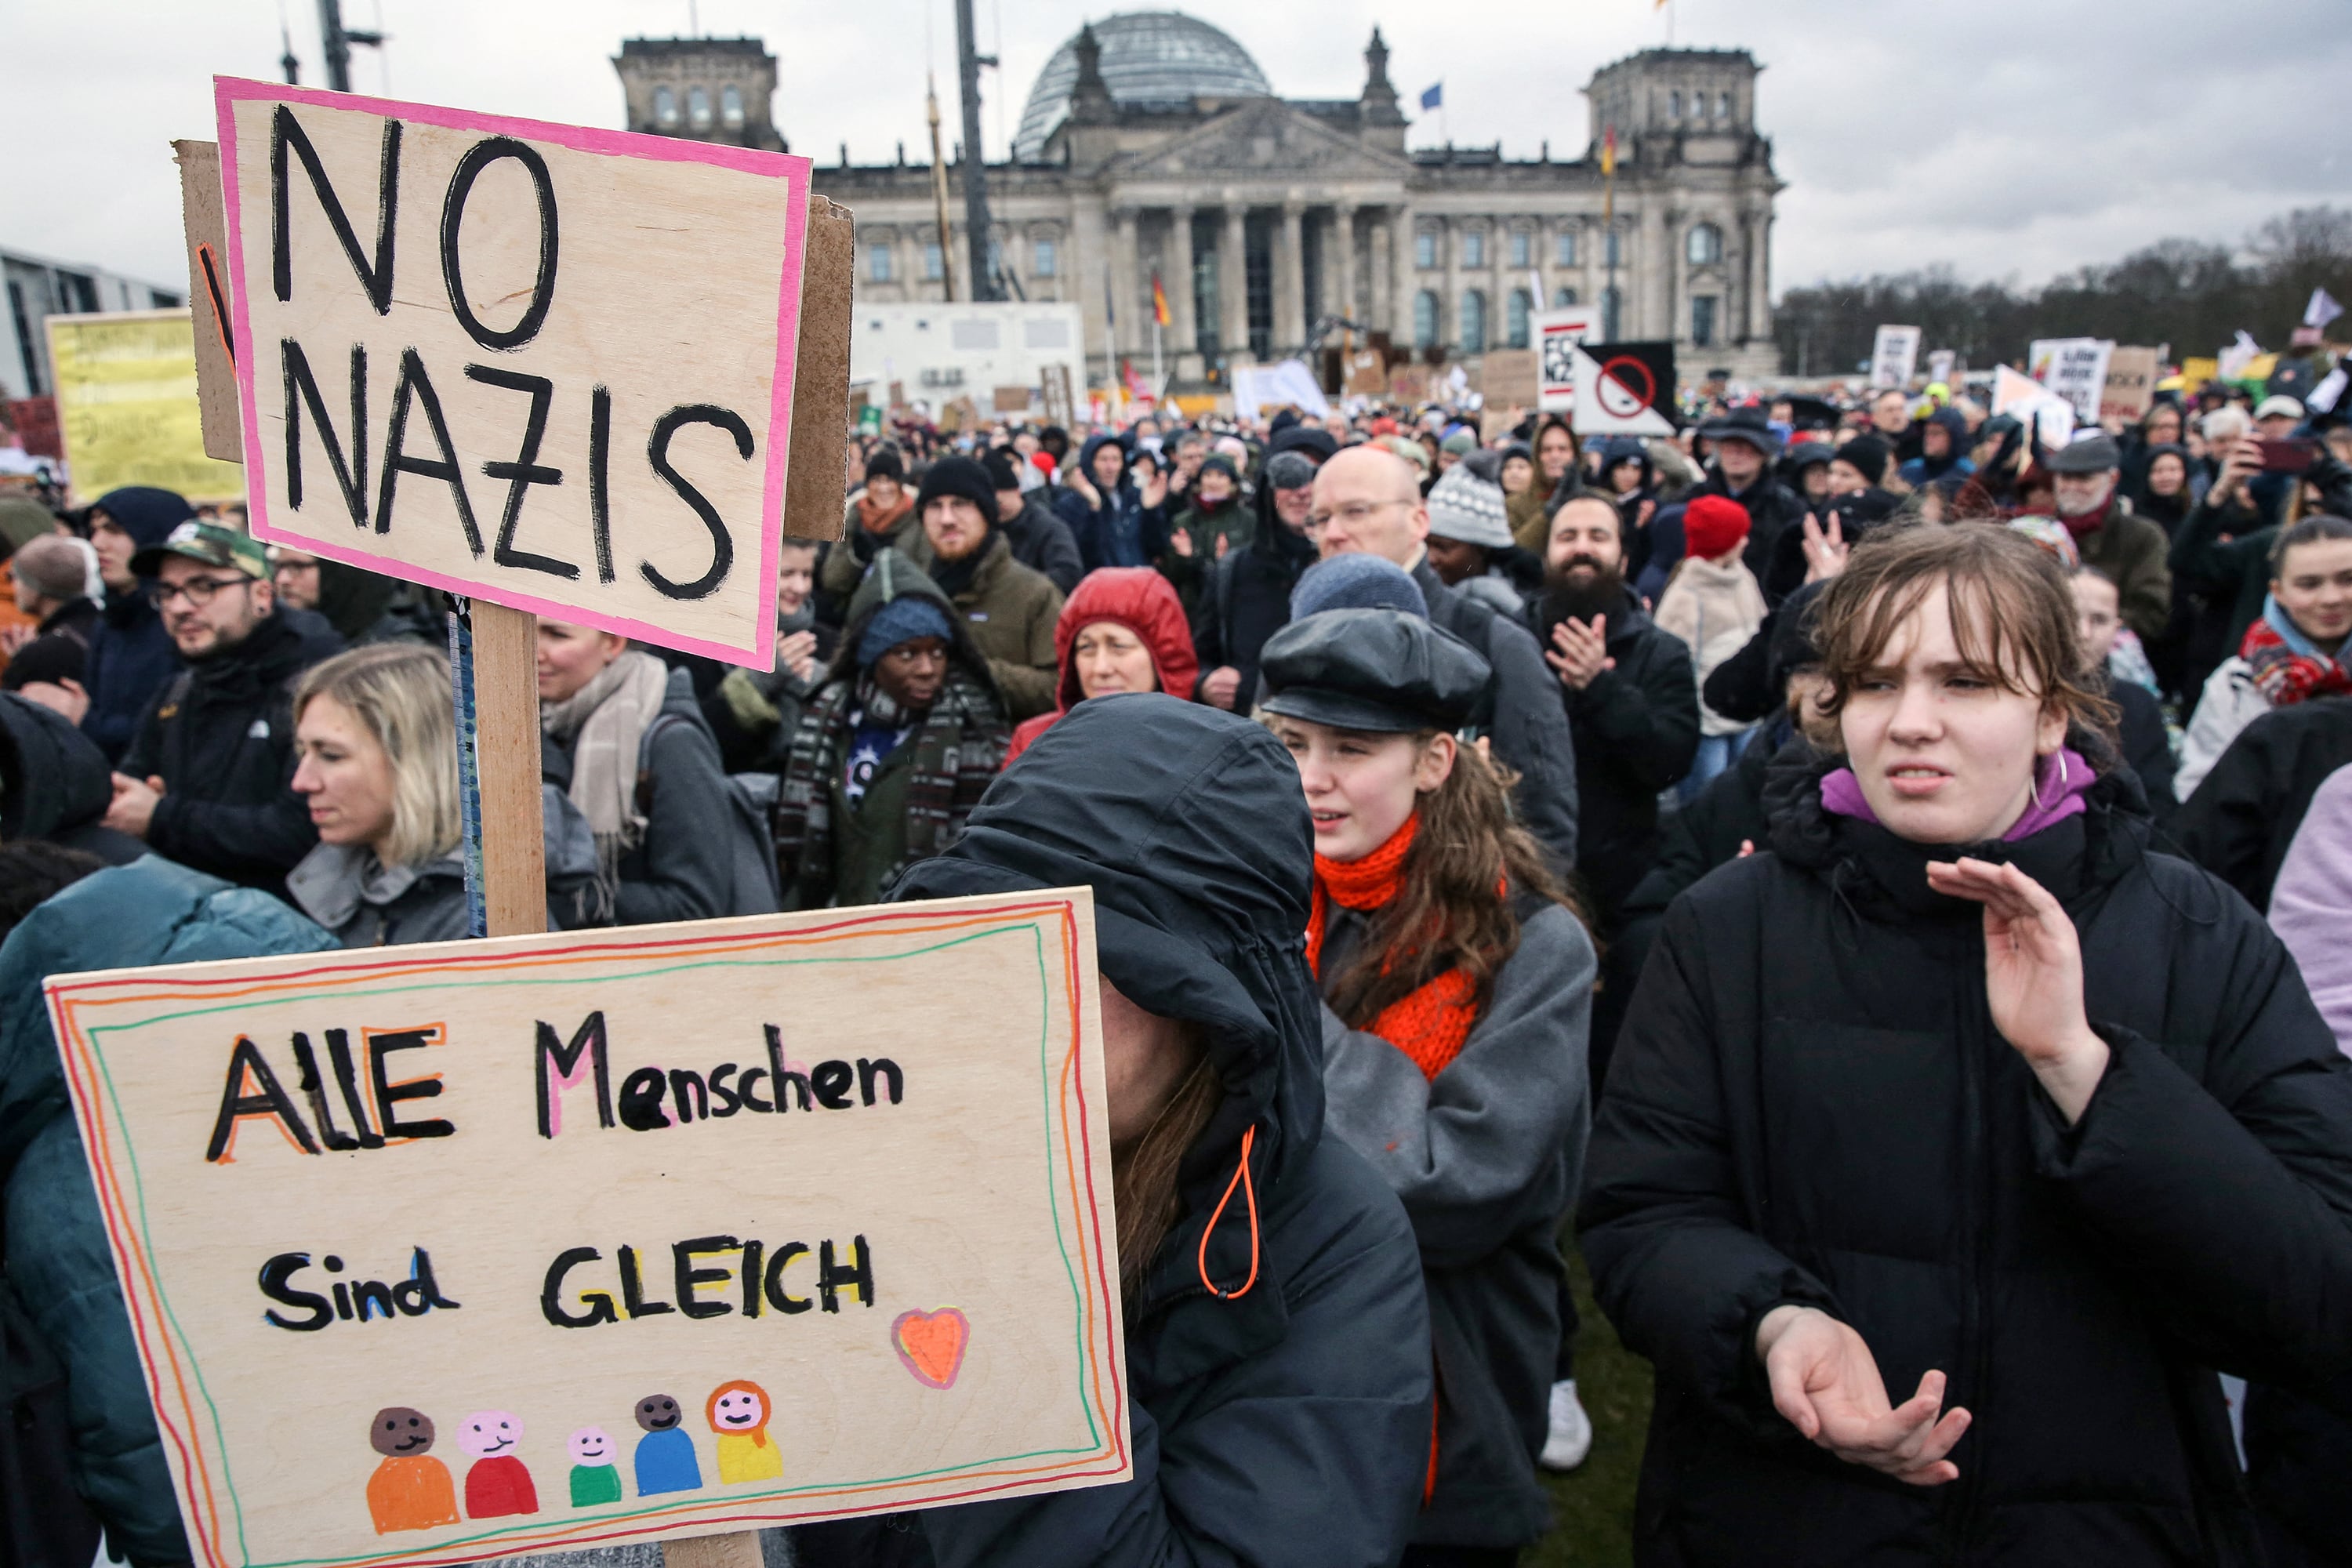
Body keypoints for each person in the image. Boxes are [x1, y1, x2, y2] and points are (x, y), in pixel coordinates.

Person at [1581, 521, 2352, 1566]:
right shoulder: (1731, 927)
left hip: (2109, 1525)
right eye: (1874, 681)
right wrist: (1770, 1324)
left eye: (1966, 682)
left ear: (2052, 713)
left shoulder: (2199, 934)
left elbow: (2316, 1298)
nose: (1909, 724)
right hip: (1780, 1515)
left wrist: (2086, 1074)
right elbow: (1643, 1211)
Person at [840, 695, 1432, 1568]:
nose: (1028, 1002)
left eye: (1093, 962)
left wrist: (1003, 1292)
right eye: (996, 941)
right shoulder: (883, 1135)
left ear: (1211, 1013)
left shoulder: (1332, 1249)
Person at [1258, 609, 1596, 1565]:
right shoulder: (1278, 895)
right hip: (1272, 1384)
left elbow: (1454, 1182)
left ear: (1436, 760)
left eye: (1351, 748)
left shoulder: (1535, 944)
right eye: (1293, 743)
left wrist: (1282, 1003)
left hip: (1451, 1396)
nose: (1311, 777)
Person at [0, 855, 338, 1563]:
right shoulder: (314, 983)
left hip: (295, 1521)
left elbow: (151, 1450)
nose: (305, 780)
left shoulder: (67, 1188)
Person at [1312, 445, 1581, 871]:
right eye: (1321, 519)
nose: (1334, 533)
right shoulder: (1297, 644)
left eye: (1356, 512)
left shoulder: (1495, 644)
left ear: (1419, 520)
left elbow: (1545, 826)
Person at [285, 645, 598, 945]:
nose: (302, 782)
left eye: (331, 755)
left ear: (417, 761)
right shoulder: (356, 882)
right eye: (303, 753)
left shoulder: (486, 918)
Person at [103, 521, 343, 891]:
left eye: (204, 587)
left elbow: (305, 831)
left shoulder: (316, 692)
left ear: (262, 594)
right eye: (167, 591)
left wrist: (163, 817)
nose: (180, 607)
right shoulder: (178, 690)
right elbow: (129, 789)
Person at [774, 550, 1007, 909]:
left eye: (938, 652)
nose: (928, 668)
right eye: (907, 654)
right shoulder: (829, 720)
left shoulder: (972, 731)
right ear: (871, 659)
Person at [1532, 493, 1700, 958]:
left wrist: (1601, 689)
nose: (1581, 548)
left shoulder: (1662, 652)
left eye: (1597, 536)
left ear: (1623, 558)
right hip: (1524, 877)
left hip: (1620, 884)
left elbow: (1670, 763)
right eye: (1567, 537)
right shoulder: (1513, 639)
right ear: (1547, 555)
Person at [536, 616, 735, 925]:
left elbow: (696, 905)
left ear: (613, 644)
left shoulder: (672, 740)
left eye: (557, 635)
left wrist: (557, 899)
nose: (535, 650)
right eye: (529, 631)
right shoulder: (545, 723)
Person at [2176, 515, 2352, 799]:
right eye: (2309, 584)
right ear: (2278, 592)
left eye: (2348, 579)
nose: (2331, 598)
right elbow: (2202, 791)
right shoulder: (2236, 685)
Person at [907, 456, 1062, 722]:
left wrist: (976, 670)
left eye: (960, 504)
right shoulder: (910, 591)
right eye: (935, 506)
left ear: (986, 513)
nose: (946, 519)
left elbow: (1059, 688)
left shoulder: (1035, 595)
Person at [1004, 568, 1196, 764]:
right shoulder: (1034, 743)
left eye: (1119, 647)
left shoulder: (1200, 749)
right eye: (1086, 648)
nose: (1100, 668)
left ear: (1163, 657)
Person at [1653, 495, 1767, 801]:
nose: (1745, 540)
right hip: (1707, 723)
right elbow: (1670, 660)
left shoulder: (1743, 578)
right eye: (1738, 534)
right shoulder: (1687, 595)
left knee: (1748, 790)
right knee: (1709, 795)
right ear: (1722, 541)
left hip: (1748, 713)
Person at [1191, 448, 1321, 713]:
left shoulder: (1343, 567)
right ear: (1267, 492)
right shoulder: (1234, 570)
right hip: (1249, 723)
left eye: (1313, 481)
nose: (1302, 492)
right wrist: (1207, 682)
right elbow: (1201, 652)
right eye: (1288, 480)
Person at [74, 486, 194, 763]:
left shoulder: (188, 621)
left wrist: (83, 719)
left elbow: (178, 729)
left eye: (114, 530)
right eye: (94, 530)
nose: (98, 542)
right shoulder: (110, 620)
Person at [705, 538, 835, 772]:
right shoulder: (714, 640)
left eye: (806, 574)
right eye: (787, 574)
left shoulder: (828, 642)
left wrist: (824, 685)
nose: (800, 587)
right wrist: (758, 682)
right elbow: (705, 737)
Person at [2070, 567, 2178, 818]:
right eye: (2070, 617)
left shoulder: (2138, 705)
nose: (2083, 633)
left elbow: (2158, 802)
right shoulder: (2022, 695)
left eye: (2099, 620)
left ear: (2117, 628)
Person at [2048, 434, 2172, 643]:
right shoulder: (2042, 533)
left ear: (2112, 479)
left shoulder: (2142, 537)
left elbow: (2151, 613)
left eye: (2083, 478)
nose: (2071, 486)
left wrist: (2097, 624)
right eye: (2065, 477)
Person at [1421, 457, 1529, 615]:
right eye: (1424, 544)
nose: (1430, 558)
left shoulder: (1498, 616)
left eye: (1442, 547)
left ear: (1482, 549)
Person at [2, 534, 100, 699]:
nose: (14, 586)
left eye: (17, 577)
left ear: (36, 587)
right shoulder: (100, 625)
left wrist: (25, 660)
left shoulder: (44, 653)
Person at [819, 445, 917, 608]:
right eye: (876, 480)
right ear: (867, 484)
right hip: (855, 610)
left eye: (889, 480)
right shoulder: (852, 517)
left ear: (900, 484)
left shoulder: (916, 518)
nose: (883, 488)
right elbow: (831, 581)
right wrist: (855, 559)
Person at [1059, 434, 1171, 571]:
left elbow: (1157, 549)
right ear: (1089, 462)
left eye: (1116, 459)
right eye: (1103, 460)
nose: (1110, 467)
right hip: (1101, 585)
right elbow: (1083, 554)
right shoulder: (1071, 504)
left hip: (1138, 581)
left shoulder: (1135, 496)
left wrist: (1151, 511)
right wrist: (1094, 508)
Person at [978, 448, 1083, 593]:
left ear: (1016, 491)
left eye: (998, 501)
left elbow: (1068, 574)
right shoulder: (982, 526)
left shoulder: (1047, 527)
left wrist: (1014, 589)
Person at [1162, 454, 1253, 614]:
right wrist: (1185, 558)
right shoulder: (1183, 521)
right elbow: (1171, 574)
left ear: (1231, 481)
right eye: (1208, 475)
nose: (1213, 482)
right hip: (1193, 609)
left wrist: (1226, 562)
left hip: (1234, 607)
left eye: (1221, 475)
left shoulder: (1247, 519)